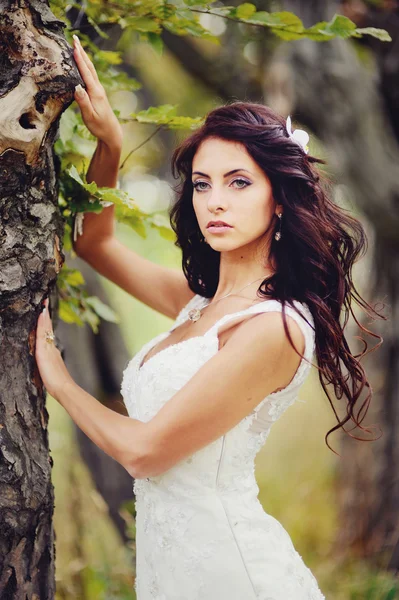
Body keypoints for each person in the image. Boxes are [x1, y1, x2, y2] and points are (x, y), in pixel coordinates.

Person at [35, 34, 384, 599]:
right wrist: (109, 145)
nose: (214, 201)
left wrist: (57, 379)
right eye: (202, 183)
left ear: (278, 199)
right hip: (170, 571)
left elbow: (145, 452)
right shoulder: (199, 303)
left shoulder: (273, 326)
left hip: (232, 574)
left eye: (238, 182)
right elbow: (94, 244)